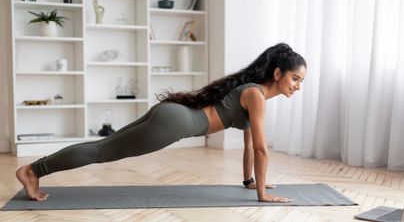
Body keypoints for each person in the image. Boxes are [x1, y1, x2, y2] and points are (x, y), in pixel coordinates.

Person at [16, 43, 307, 203]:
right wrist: (263, 195)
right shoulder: (255, 95)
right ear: (278, 73)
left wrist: (249, 182)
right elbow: (260, 149)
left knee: (102, 145)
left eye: (301, 82)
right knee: (102, 151)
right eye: (295, 78)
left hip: (173, 113)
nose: (297, 86)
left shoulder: (253, 92)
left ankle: (35, 170)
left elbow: (248, 147)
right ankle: (33, 170)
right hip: (175, 123)